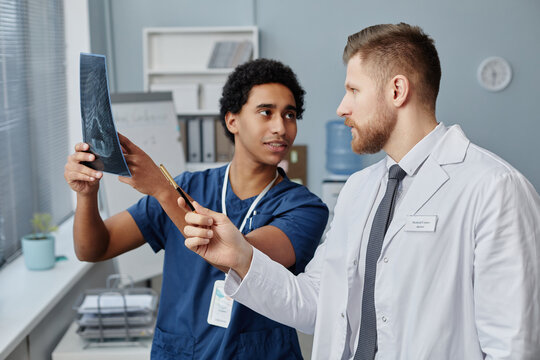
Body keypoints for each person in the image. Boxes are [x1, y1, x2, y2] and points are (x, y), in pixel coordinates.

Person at [180, 23, 540, 359]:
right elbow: (316, 302)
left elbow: (512, 345)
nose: (342, 108)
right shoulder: (360, 190)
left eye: (353, 90)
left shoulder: (494, 188)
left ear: (397, 90)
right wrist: (241, 256)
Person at [64, 58, 329, 359]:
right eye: (266, 112)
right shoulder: (191, 186)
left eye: (290, 115)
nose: (281, 127)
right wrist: (86, 194)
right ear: (232, 121)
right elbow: (94, 248)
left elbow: (238, 256)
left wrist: (162, 190)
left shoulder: (305, 208)